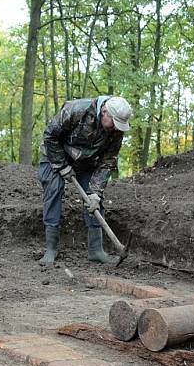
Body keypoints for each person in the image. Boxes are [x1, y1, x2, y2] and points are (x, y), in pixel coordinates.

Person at [37, 95, 133, 265]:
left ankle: (96, 251)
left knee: (95, 200)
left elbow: (108, 161)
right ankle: (51, 249)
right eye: (115, 122)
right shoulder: (76, 109)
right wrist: (61, 164)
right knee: (54, 190)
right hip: (54, 153)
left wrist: (95, 193)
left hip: (85, 160)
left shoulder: (116, 130)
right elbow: (50, 136)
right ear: (104, 112)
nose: (116, 128)